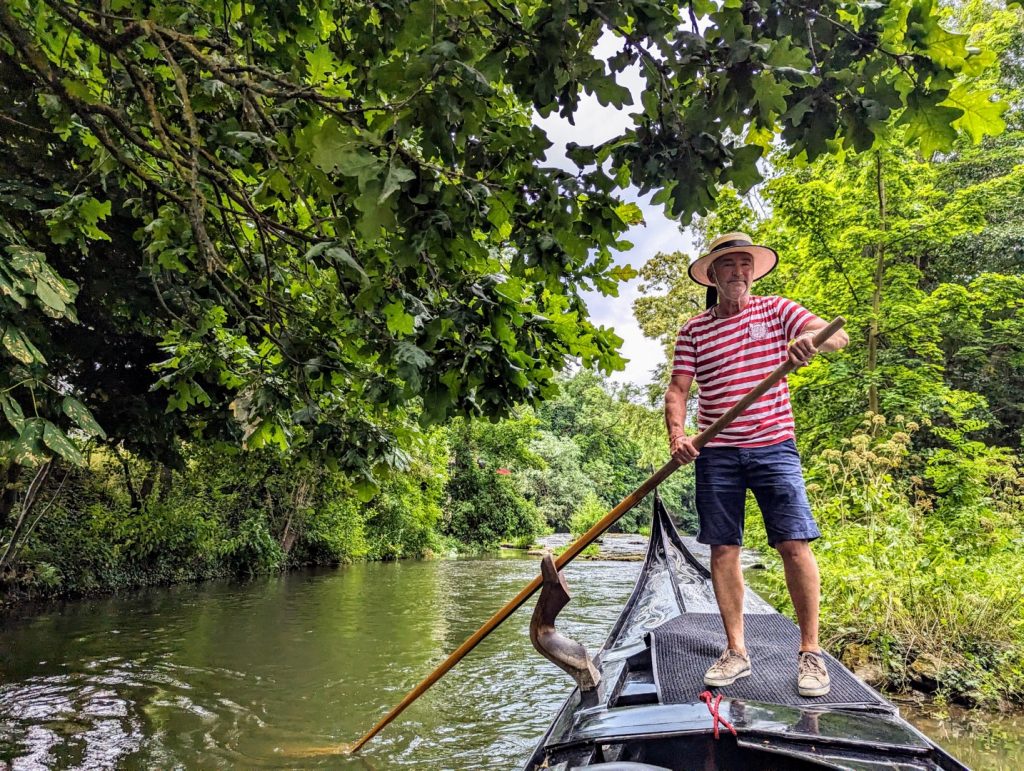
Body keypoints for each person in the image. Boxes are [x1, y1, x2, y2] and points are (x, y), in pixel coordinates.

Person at [663, 232, 849, 698]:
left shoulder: (778, 310)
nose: (739, 273)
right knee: (723, 550)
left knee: (793, 543)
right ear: (713, 275)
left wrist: (808, 341)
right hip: (717, 452)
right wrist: (678, 436)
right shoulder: (693, 330)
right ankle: (736, 652)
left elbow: (837, 336)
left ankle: (810, 653)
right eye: (729, 266)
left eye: (746, 264)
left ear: (755, 271)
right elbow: (678, 391)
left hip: (773, 446)